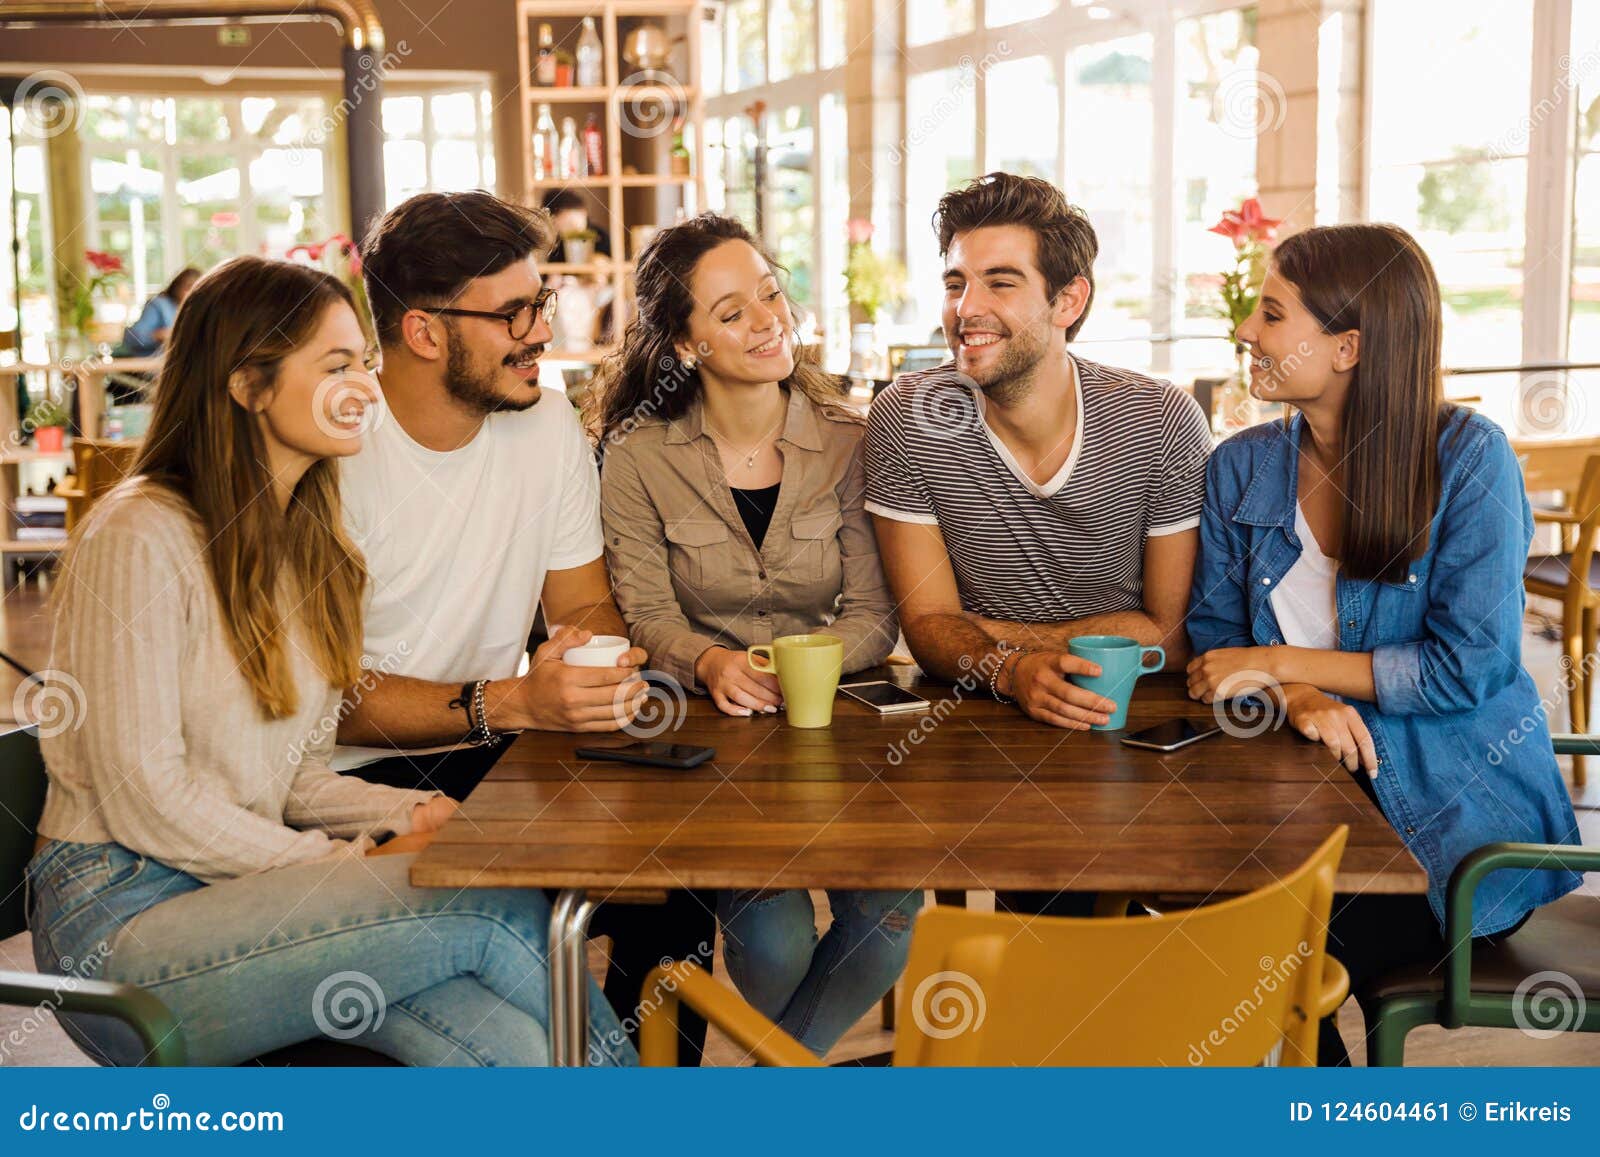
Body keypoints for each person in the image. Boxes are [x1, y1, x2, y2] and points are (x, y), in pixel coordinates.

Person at [25, 255, 633, 1067]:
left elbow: (297, 776)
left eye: (364, 365)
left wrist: (399, 819)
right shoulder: (141, 533)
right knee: (487, 900)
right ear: (248, 383)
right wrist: (352, 862)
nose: (369, 390)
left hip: (240, 894)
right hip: (120, 918)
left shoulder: (308, 544)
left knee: (514, 1053)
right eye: (337, 366)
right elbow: (149, 803)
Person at [1184, 222, 1581, 1066]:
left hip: (1444, 834)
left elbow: (1467, 667)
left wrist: (1282, 661)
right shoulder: (1240, 467)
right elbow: (1217, 641)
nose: (1246, 332)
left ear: (1347, 347)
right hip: (1290, 806)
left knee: (1251, 952)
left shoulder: (1470, 462)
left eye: (1272, 313)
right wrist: (1295, 696)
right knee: (1200, 922)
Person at [333, 190, 715, 1064]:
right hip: (341, 776)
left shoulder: (542, 422)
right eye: (514, 313)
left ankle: (640, 1087)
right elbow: (320, 703)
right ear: (425, 332)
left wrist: (593, 665)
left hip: (487, 733)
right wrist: (511, 699)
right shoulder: (339, 447)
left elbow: (580, 604)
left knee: (676, 871)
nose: (542, 330)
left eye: (540, 303)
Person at [595, 212, 916, 1056]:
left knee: (887, 919)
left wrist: (792, 663)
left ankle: (776, 1087)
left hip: (841, 733)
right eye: (731, 311)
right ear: (684, 344)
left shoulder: (851, 439)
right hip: (717, 743)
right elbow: (647, 614)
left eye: (771, 294)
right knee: (773, 939)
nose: (768, 318)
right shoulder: (636, 456)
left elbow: (879, 614)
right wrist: (706, 659)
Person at [863, 172, 1212, 918]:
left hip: (1139, 716)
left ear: (1068, 300)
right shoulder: (909, 418)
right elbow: (926, 631)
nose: (966, 310)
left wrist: (999, 644)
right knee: (1051, 895)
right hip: (990, 720)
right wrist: (1016, 673)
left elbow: (1173, 636)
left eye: (1000, 282)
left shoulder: (1160, 422)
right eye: (955, 282)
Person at [113, 266, 198, 358]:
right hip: (149, 363)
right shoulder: (158, 305)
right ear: (176, 286)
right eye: (187, 287)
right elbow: (132, 337)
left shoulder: (192, 309)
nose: (190, 292)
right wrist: (158, 335)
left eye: (195, 288)